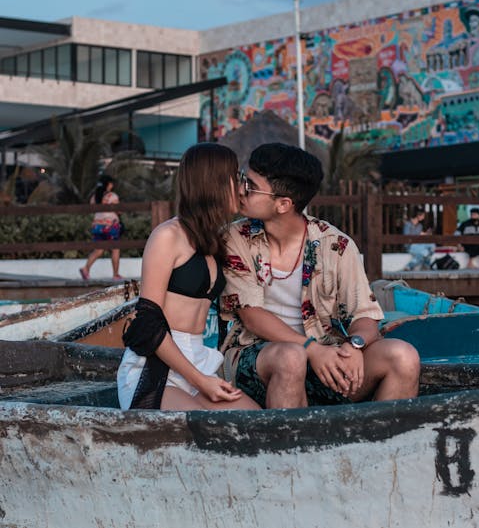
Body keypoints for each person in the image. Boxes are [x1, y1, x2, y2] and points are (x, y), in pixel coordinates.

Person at [220, 143, 420, 409]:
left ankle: (378, 447)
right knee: (291, 358)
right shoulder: (235, 238)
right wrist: (310, 349)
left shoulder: (335, 244)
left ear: (283, 204)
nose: (241, 190)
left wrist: (355, 346)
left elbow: (364, 315)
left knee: (403, 356)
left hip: (325, 356)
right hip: (258, 357)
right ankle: (291, 448)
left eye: (251, 186)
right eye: (244, 179)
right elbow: (251, 315)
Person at [117, 143, 260, 411]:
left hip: (198, 359)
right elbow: (147, 321)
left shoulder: (216, 238)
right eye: (236, 178)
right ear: (214, 183)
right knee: (205, 429)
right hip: (157, 366)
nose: (242, 188)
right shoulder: (167, 236)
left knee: (254, 419)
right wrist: (200, 381)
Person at [79, 174, 123, 281]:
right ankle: (115, 274)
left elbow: (92, 208)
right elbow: (119, 210)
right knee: (115, 249)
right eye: (111, 183)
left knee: (98, 249)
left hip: (97, 225)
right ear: (108, 184)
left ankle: (86, 268)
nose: (112, 185)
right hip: (110, 225)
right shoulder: (112, 196)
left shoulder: (95, 196)